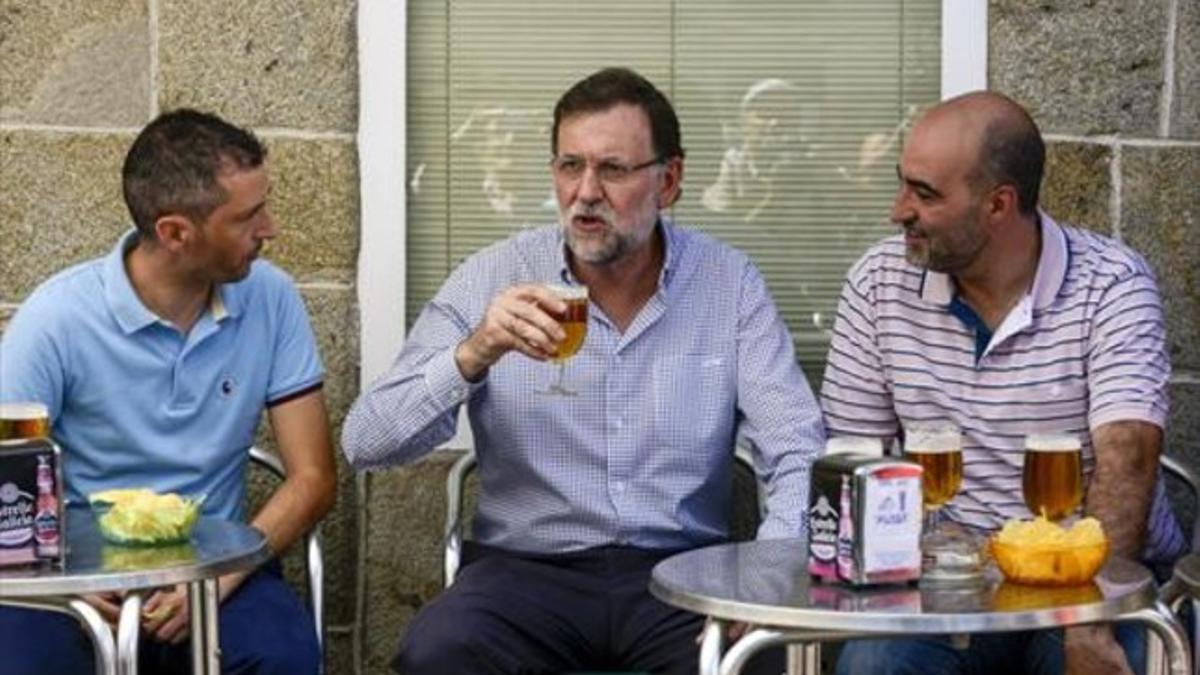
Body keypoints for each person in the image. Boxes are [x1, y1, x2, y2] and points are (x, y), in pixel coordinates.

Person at [342, 66, 824, 674]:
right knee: (436, 653)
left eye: (613, 170)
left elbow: (795, 446)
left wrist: (768, 568)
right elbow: (365, 442)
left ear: (668, 180)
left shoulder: (727, 286)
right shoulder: (494, 277)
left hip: (681, 574)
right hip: (524, 574)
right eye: (570, 166)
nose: (586, 191)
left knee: (758, 664)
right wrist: (474, 353)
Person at [820, 91, 1186, 675]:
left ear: (998, 205)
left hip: (1088, 583)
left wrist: (1090, 623)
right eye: (903, 183)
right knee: (874, 666)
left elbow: (1130, 459)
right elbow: (851, 458)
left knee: (1127, 662)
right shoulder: (879, 282)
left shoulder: (1112, 284)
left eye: (925, 193)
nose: (898, 210)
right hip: (937, 587)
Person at [0, 109, 337, 674]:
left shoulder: (272, 299)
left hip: (219, 571)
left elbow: (315, 478)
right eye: (248, 217)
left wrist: (222, 578)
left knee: (284, 658)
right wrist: (69, 587)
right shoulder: (57, 317)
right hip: (74, 585)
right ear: (176, 233)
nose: (270, 228)